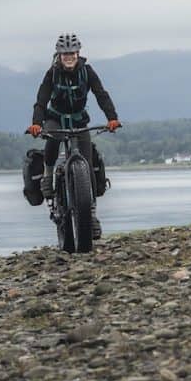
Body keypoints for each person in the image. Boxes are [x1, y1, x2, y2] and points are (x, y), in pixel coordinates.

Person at [28, 33, 121, 238]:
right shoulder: (52, 74)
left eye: (72, 53)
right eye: (64, 54)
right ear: (59, 55)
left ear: (78, 53)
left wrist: (112, 118)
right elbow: (41, 100)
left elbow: (101, 94)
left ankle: (92, 215)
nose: (68, 57)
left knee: (87, 165)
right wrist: (36, 123)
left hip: (79, 120)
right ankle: (48, 174)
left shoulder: (87, 72)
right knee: (52, 141)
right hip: (56, 118)